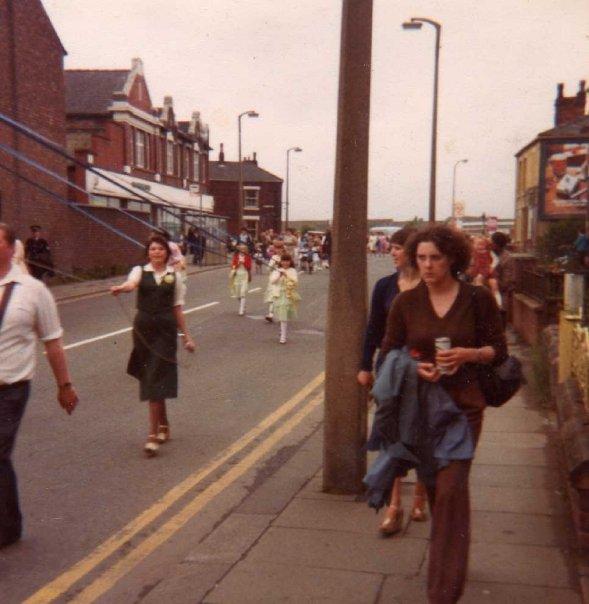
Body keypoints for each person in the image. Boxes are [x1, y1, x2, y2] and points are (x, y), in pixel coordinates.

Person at [379, 225, 507, 604]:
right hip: (421, 411)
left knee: (450, 490)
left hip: (464, 409)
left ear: (452, 258)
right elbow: (388, 352)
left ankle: (442, 592)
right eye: (421, 258)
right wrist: (413, 367)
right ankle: (453, 556)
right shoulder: (406, 303)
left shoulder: (477, 298)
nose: (428, 265)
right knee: (438, 490)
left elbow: (498, 350)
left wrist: (470, 354)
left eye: (435, 258)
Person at [0, 223, 78, 548]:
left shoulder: (33, 291)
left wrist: (65, 385)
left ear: (10, 246)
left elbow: (53, 342)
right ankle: (10, 522)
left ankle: (4, 528)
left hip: (11, 386)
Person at [357, 227, 427, 535]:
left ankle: (421, 496)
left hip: (424, 367)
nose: (392, 252)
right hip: (391, 367)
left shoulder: (431, 285)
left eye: (398, 248)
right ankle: (394, 505)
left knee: (424, 432)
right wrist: (365, 366)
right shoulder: (385, 286)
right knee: (391, 434)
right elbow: (373, 329)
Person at [111, 234, 195, 457]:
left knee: (156, 377)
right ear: (147, 252)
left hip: (165, 332)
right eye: (152, 249)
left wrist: (186, 336)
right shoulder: (140, 271)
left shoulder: (174, 277)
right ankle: (164, 423)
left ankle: (152, 435)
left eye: (160, 249)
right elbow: (132, 284)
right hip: (144, 331)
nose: (156, 252)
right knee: (152, 378)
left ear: (167, 253)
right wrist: (122, 288)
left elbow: (177, 308)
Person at [268, 253, 300, 344]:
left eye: (287, 261)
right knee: (280, 315)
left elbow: (295, 282)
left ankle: (283, 336)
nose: (285, 263)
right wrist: (279, 275)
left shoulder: (292, 270)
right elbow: (272, 281)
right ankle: (282, 331)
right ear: (280, 262)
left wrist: (286, 275)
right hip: (278, 294)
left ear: (290, 262)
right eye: (283, 261)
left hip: (288, 294)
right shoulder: (277, 270)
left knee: (284, 314)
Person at [491, 232, 515, 328]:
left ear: (497, 245)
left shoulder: (507, 258)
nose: (490, 245)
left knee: (499, 323)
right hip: (488, 293)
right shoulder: (489, 255)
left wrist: (494, 278)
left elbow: (507, 280)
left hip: (500, 295)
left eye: (492, 243)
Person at [230, 243, 252, 316]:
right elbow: (232, 266)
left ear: (246, 250)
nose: (242, 250)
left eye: (244, 249)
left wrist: (244, 263)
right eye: (241, 249)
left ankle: (241, 309)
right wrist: (238, 264)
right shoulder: (236, 257)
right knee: (237, 294)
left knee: (243, 292)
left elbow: (249, 267)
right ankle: (242, 304)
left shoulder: (248, 257)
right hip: (237, 275)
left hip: (244, 275)